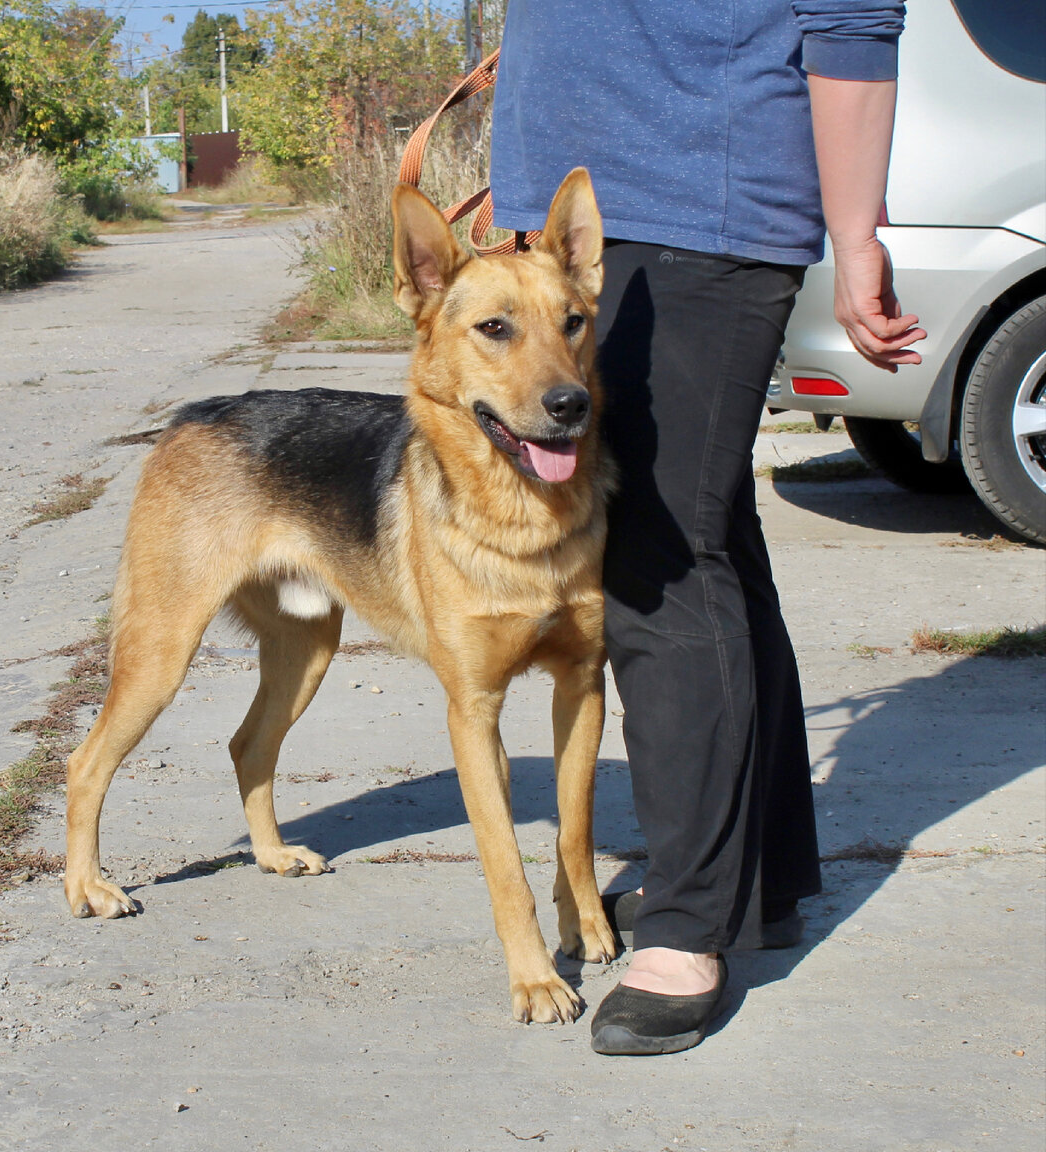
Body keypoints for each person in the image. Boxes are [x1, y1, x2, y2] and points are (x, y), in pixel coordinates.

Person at [490, 1, 927, 1055]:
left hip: (700, 209)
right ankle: (756, 881)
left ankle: (688, 926)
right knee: (709, 530)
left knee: (658, 561)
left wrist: (859, 234)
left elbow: (854, 17)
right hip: (588, 216)